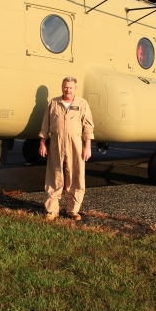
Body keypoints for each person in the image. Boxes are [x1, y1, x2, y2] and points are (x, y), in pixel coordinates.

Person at [39, 77, 94, 221]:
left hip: (75, 142)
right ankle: (52, 210)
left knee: (76, 174)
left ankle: (73, 210)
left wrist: (87, 146)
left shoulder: (82, 104)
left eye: (70, 87)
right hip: (56, 142)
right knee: (54, 175)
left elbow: (88, 126)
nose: (67, 90)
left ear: (75, 89)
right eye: (65, 87)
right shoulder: (53, 103)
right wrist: (43, 143)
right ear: (62, 87)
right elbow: (45, 125)